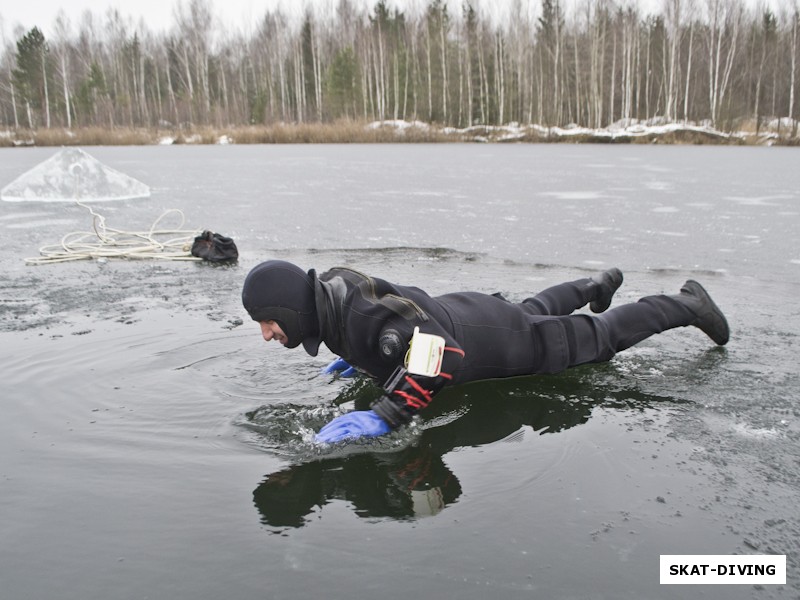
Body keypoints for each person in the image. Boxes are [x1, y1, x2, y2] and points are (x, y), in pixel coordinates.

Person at [241, 260, 729, 443]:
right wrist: (366, 354)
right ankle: (594, 282)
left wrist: (387, 414)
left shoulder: (362, 319)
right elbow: (390, 317)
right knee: (530, 310)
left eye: (268, 322)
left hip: (494, 343)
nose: (266, 334)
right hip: (472, 312)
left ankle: (686, 303)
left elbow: (443, 354)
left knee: (596, 337)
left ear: (292, 310)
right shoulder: (333, 294)